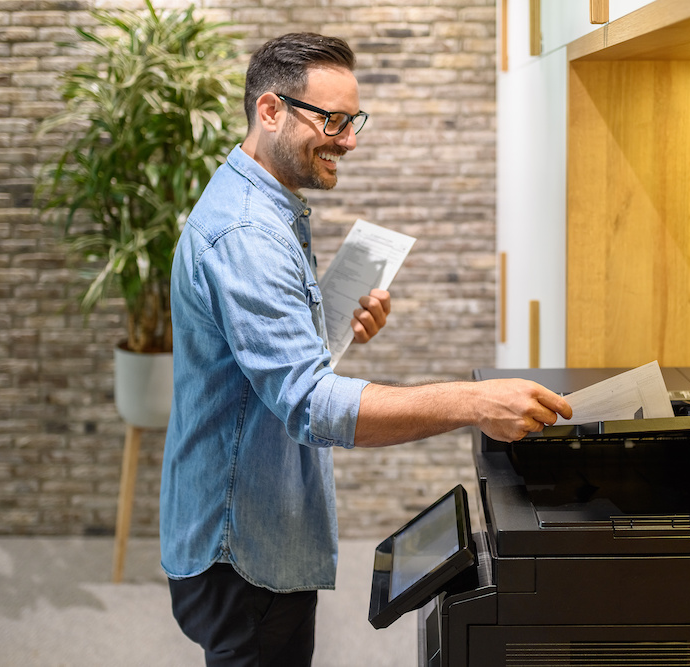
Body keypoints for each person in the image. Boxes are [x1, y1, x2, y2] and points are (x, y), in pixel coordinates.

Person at [160, 32, 571, 666]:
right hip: (241, 550)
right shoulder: (248, 233)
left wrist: (326, 323)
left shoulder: (265, 205)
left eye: (354, 121)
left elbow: (260, 367)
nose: (349, 140)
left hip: (251, 524)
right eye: (332, 119)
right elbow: (309, 405)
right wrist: (474, 402)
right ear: (270, 111)